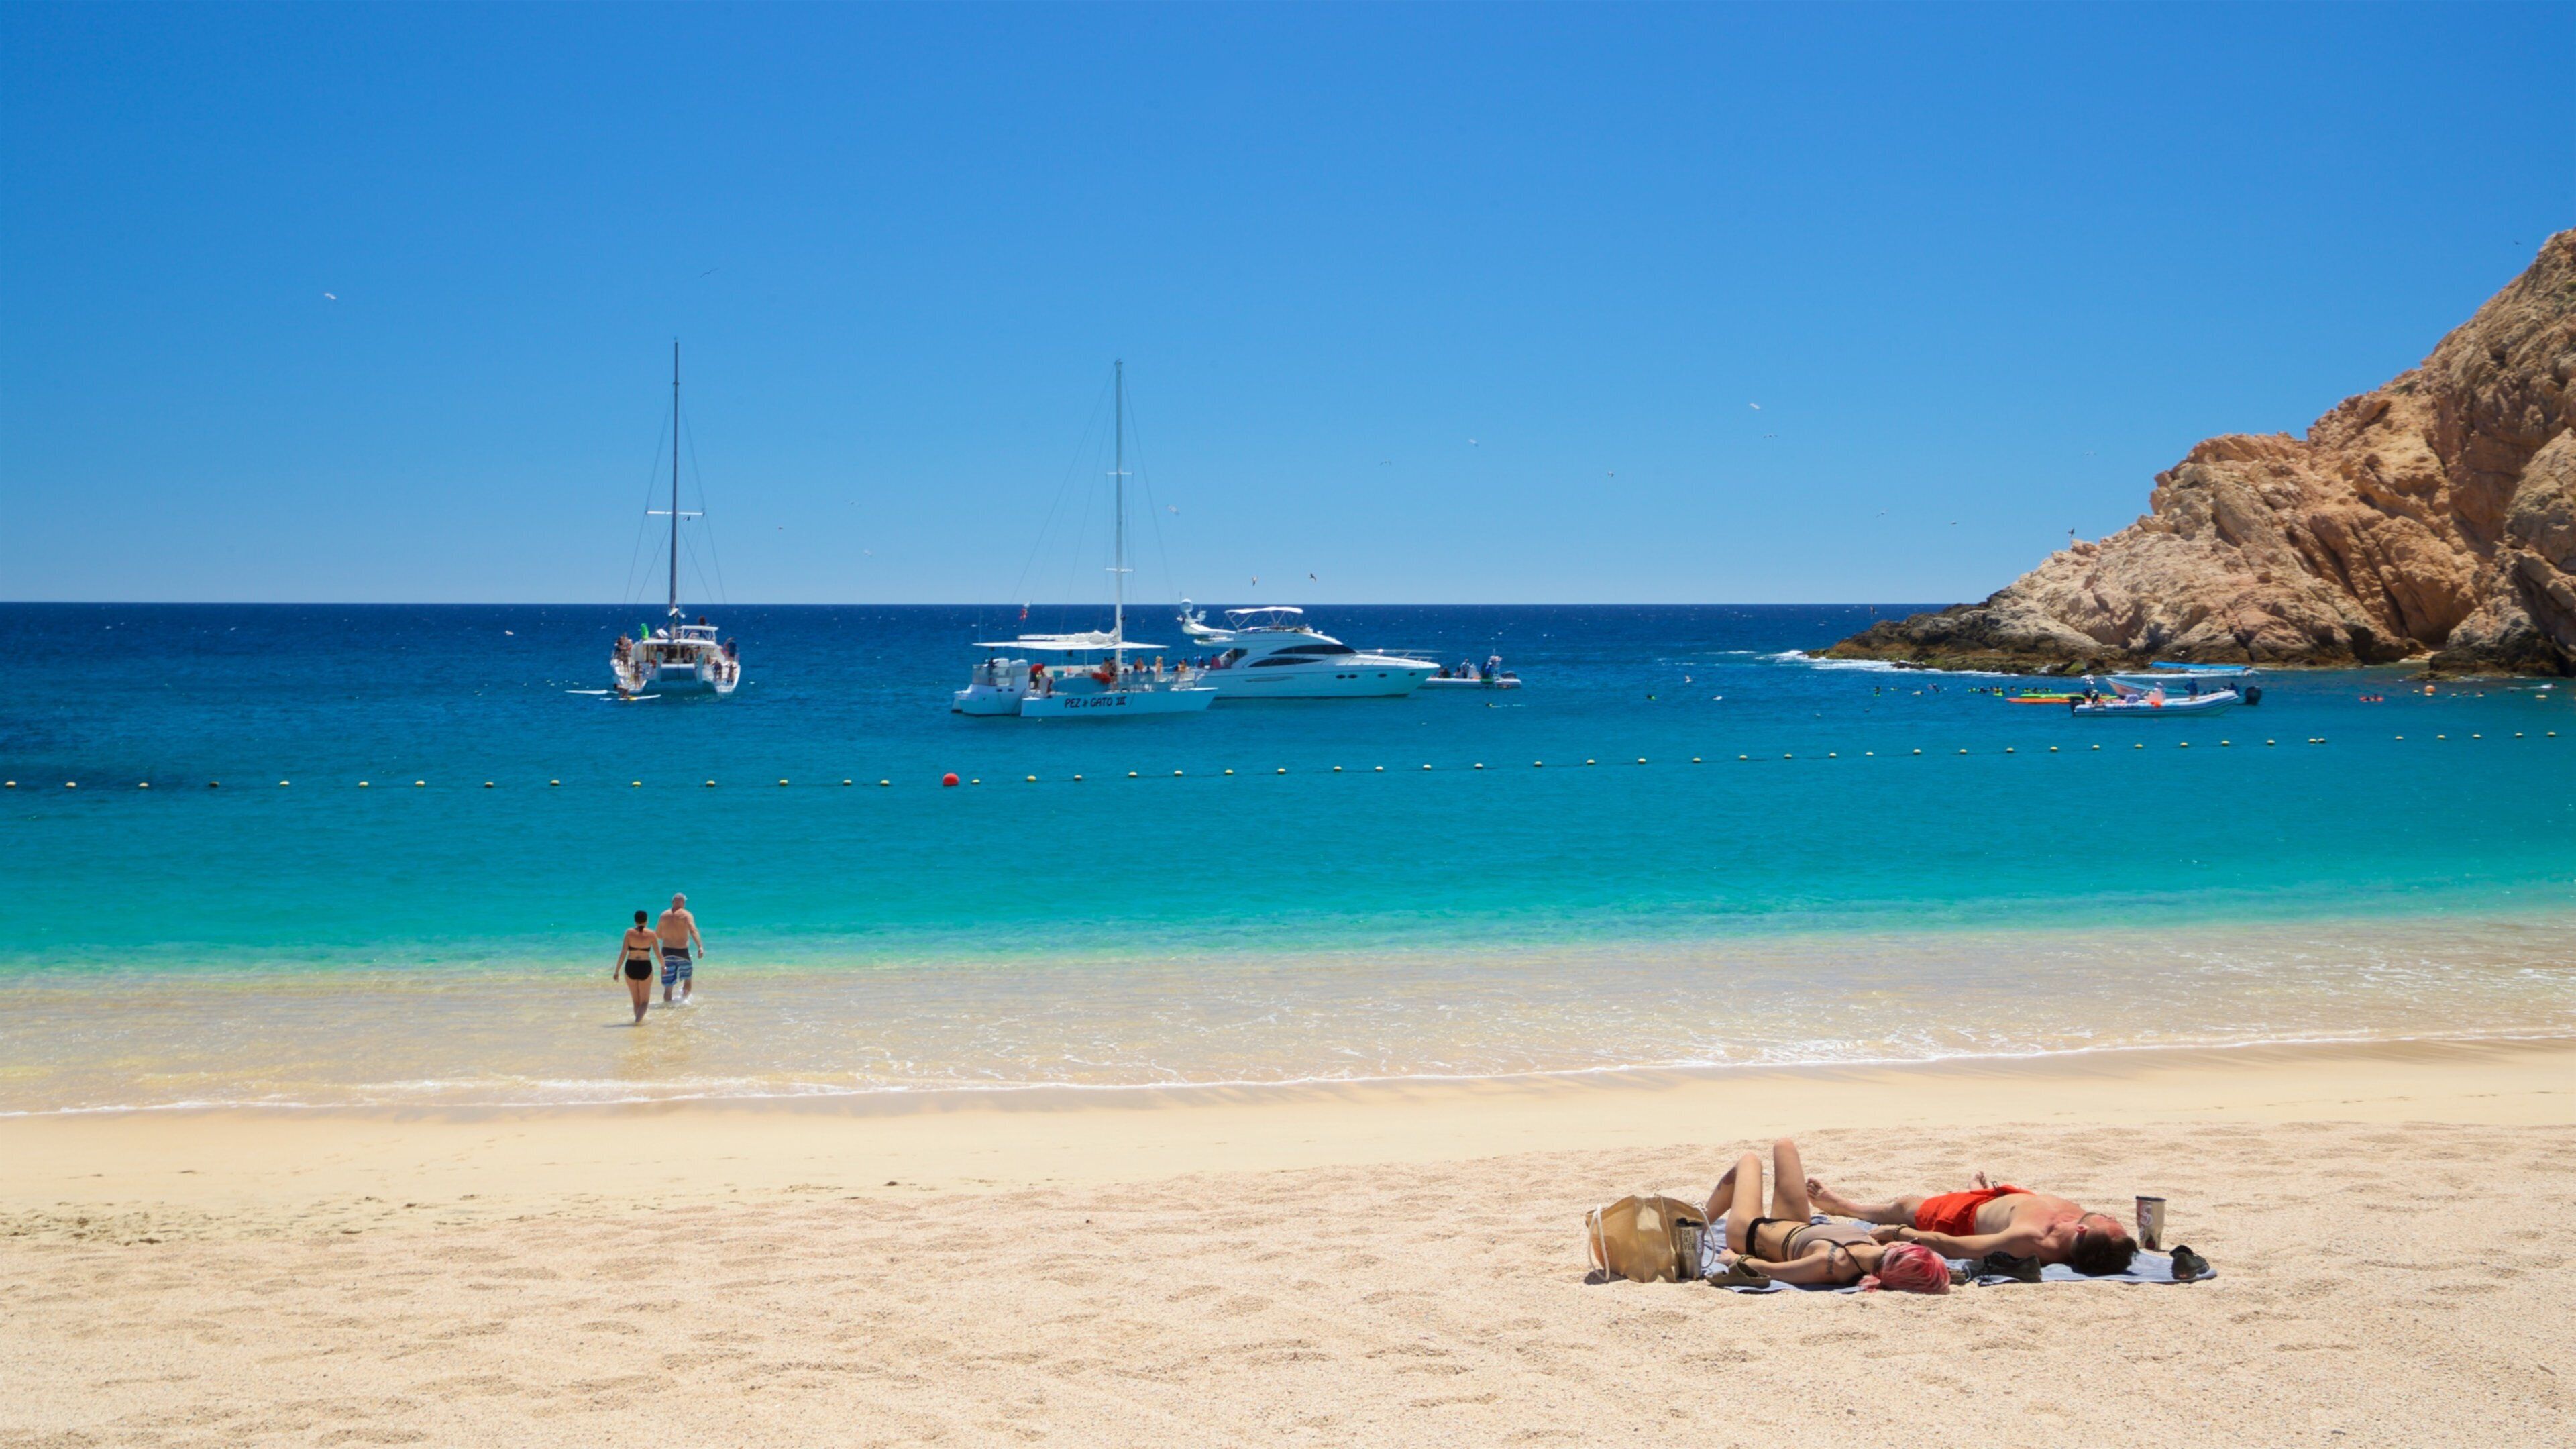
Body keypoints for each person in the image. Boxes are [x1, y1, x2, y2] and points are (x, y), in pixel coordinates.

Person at [1703, 1138, 1951, 1292]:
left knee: (1749, 1161)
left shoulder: (1831, 1264)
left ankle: (1698, 1223)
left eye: (1914, 1247)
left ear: (1901, 1253)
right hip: (1797, 1225)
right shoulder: (1875, 1246)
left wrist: (1733, 1260)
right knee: (1784, 1145)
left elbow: (1772, 1270)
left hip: (1750, 1233)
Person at [1808, 1168, 2137, 1275]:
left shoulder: (2030, 1239)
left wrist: (1901, 1232)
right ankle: (1978, 1193)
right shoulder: (2079, 1223)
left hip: (1963, 1218)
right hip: (2000, 1201)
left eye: (2108, 1221)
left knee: (1906, 1206)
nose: (2111, 1217)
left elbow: (1957, 1247)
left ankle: (1847, 1207)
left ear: (2082, 1231)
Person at [655, 893, 705, 1004]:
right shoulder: (686, 915)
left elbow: (658, 935)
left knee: (668, 986)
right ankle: (684, 1003)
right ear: (683, 903)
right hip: (682, 952)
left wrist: (670, 935)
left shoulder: (664, 915)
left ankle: (667, 1007)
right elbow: (693, 931)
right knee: (687, 978)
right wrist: (700, 947)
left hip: (667, 952)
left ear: (672, 902)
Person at [612, 910, 658, 1023]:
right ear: (647, 921)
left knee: (636, 1001)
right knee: (645, 1002)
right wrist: (664, 967)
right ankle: (638, 1022)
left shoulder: (629, 933)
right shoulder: (652, 934)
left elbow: (623, 953)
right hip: (645, 967)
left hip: (630, 966)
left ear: (635, 921)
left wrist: (617, 971)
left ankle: (638, 1024)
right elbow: (658, 954)